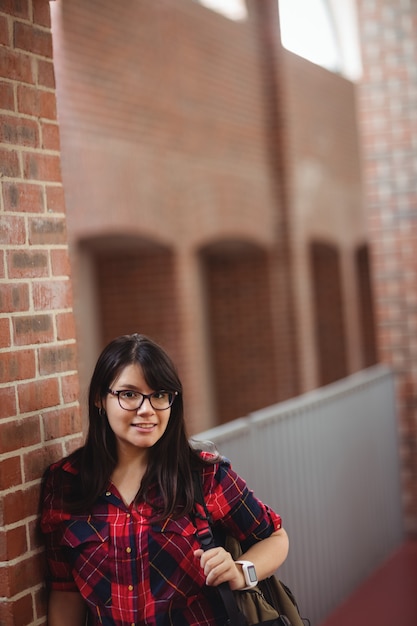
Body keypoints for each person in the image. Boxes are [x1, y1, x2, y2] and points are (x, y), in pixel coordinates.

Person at [40, 333, 289, 626]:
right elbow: (65, 592)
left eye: (159, 395)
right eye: (129, 394)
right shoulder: (65, 483)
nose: (147, 410)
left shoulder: (204, 476)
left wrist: (240, 570)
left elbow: (275, 537)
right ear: (99, 398)